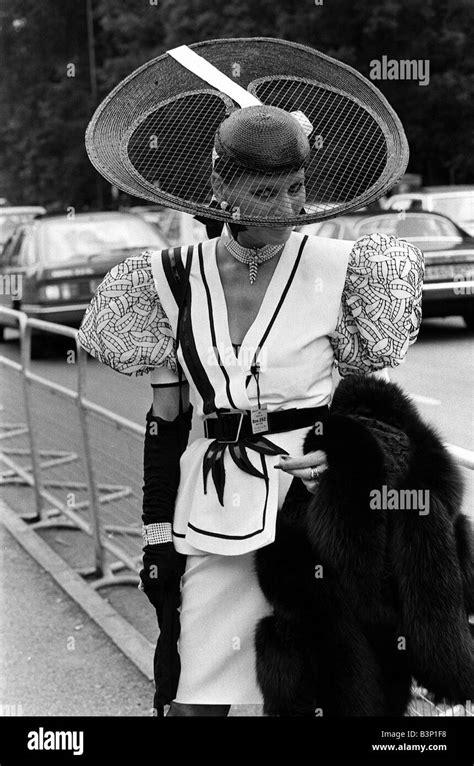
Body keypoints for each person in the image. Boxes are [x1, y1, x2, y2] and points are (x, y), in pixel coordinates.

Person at [78, 38, 425, 716]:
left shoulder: (348, 269)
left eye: (297, 189)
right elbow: (168, 420)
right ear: (220, 189)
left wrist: (350, 453)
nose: (289, 208)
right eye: (265, 193)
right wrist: (154, 536)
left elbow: (377, 406)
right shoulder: (165, 280)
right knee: (193, 704)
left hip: (318, 523)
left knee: (325, 700)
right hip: (211, 519)